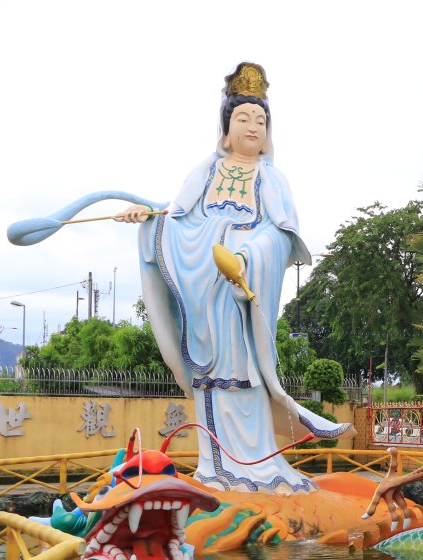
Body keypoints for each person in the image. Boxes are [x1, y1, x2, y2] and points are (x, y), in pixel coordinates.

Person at [119, 62, 350, 494]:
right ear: (226, 128)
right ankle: (216, 468)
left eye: (260, 120)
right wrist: (148, 219)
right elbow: (178, 220)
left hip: (240, 293)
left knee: (244, 375)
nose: (252, 126)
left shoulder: (271, 178)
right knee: (210, 379)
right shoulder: (207, 172)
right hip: (205, 292)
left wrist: (247, 255)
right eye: (243, 118)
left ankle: (258, 469)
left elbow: (281, 236)